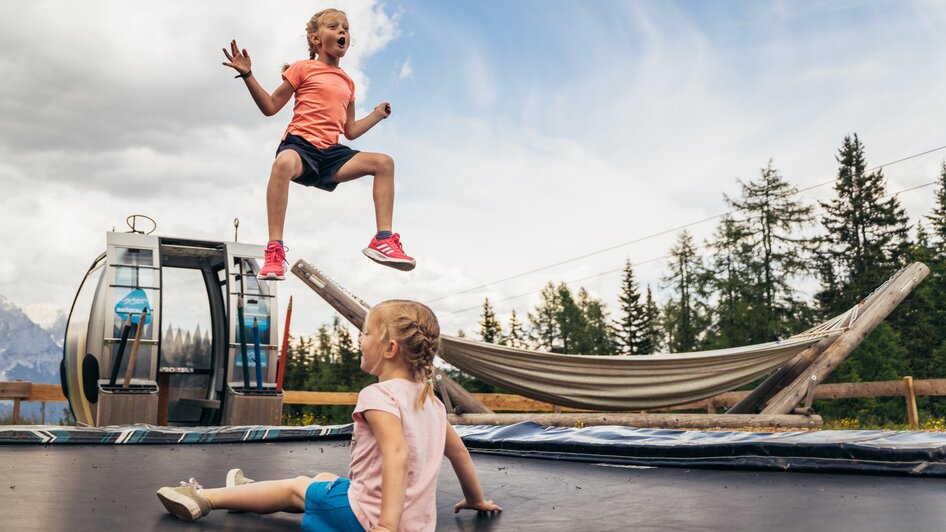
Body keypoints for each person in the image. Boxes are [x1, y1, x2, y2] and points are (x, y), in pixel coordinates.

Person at [156, 300, 502, 531]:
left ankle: (204, 497)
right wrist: (475, 499)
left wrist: (386, 525)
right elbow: (457, 452)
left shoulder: (378, 395)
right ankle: (250, 494)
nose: (360, 338)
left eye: (365, 332)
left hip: (372, 519)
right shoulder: (432, 403)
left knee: (297, 488)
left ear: (390, 348)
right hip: (415, 523)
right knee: (323, 478)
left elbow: (397, 454)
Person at [222, 8, 416, 281]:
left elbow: (349, 131)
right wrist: (248, 75)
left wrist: (375, 115)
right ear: (315, 39)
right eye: (334, 27)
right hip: (301, 147)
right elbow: (270, 107)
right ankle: (274, 251)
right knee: (282, 164)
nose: (342, 32)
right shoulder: (302, 68)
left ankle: (383, 240)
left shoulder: (348, 82)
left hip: (331, 155)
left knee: (384, 163)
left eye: (346, 29)